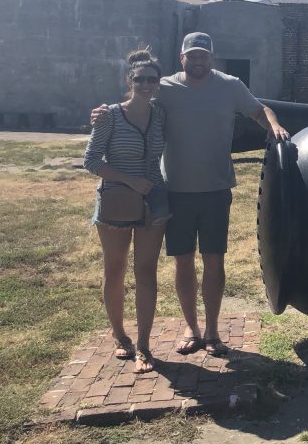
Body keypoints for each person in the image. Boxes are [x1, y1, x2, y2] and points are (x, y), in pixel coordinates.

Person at [93, 32, 289, 357]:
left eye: (204, 56)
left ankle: (212, 330)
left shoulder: (230, 85)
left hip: (215, 189)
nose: (198, 61)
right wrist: (104, 113)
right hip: (176, 191)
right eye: (192, 56)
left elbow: (259, 110)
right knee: (183, 262)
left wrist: (274, 126)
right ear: (182, 58)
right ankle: (191, 327)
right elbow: (135, 101)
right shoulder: (165, 87)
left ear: (212, 58)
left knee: (214, 261)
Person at [84, 48, 169, 374]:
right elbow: (92, 161)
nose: (146, 84)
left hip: (154, 200)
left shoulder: (160, 114)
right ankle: (120, 336)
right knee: (115, 269)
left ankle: (144, 345)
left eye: (152, 79)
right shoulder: (109, 115)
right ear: (128, 80)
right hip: (118, 199)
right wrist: (131, 180)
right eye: (140, 79)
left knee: (146, 272)